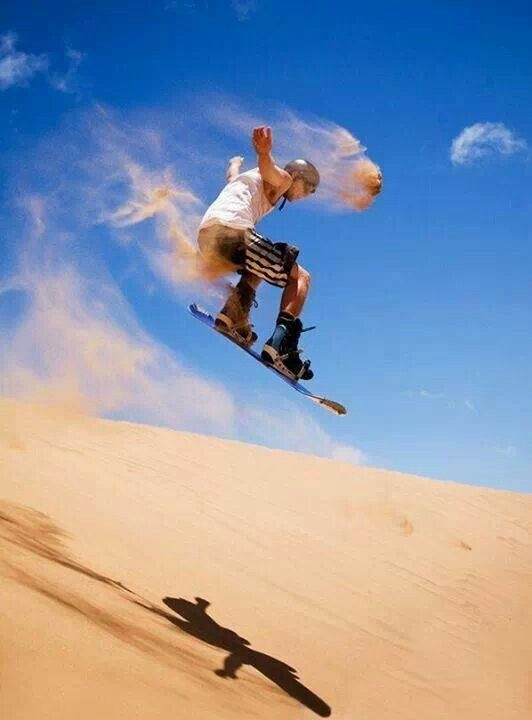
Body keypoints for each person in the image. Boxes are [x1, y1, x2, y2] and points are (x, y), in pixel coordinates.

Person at [196, 125, 380, 381]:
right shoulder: (283, 179)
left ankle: (231, 316)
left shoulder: (243, 179)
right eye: (307, 190)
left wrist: (234, 163)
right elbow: (269, 169)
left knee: (257, 266)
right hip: (233, 232)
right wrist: (264, 152)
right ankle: (281, 349)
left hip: (208, 236)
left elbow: (231, 176)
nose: (304, 196)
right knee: (301, 277)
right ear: (297, 177)